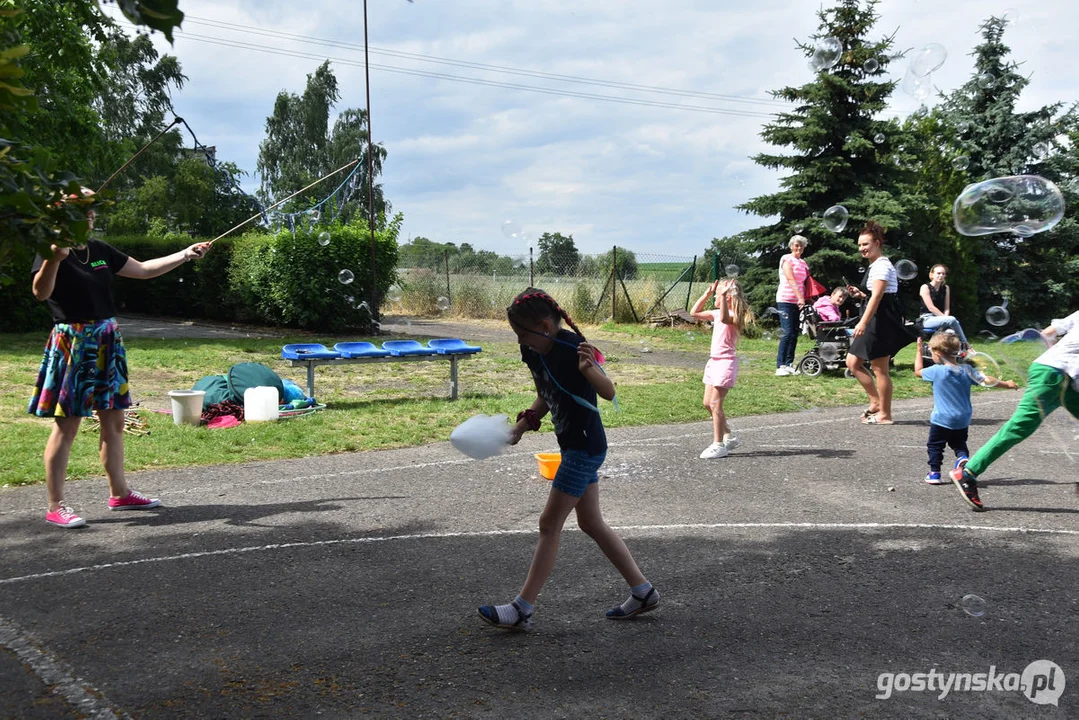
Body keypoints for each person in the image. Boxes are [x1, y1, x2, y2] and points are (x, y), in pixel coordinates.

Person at [478, 288, 658, 631]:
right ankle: (643, 591)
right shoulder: (535, 350)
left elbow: (608, 392)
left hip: (585, 447)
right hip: (574, 446)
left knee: (549, 524)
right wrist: (523, 424)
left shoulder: (571, 349)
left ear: (545, 326)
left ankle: (522, 608)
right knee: (590, 523)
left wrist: (589, 368)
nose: (522, 342)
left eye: (523, 335)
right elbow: (547, 391)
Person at [28, 194, 211, 528]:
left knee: (113, 422)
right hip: (73, 341)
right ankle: (56, 505)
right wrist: (55, 258)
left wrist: (185, 254)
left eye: (92, 211)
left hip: (107, 340)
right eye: (85, 211)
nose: (92, 215)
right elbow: (40, 292)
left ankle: (120, 493)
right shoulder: (50, 248)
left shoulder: (99, 249)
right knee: (67, 425)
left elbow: (142, 270)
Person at [951, 311, 1079, 511]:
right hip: (1054, 377)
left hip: (1058, 375)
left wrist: (1056, 357)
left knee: (1019, 427)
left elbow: (1048, 333)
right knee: (1019, 427)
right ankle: (967, 473)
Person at [914, 332, 1017, 485]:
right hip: (963, 418)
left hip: (942, 418)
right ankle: (962, 458)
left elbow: (917, 371)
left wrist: (919, 351)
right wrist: (1007, 384)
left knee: (935, 446)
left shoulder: (936, 371)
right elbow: (987, 380)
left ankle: (934, 473)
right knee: (959, 443)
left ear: (937, 353)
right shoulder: (967, 370)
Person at [844, 220, 917, 425]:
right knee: (853, 362)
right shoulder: (876, 266)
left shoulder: (882, 266)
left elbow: (878, 299)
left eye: (865, 244)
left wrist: (863, 323)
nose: (862, 248)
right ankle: (876, 402)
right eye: (859, 245)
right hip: (877, 318)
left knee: (879, 368)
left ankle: (885, 414)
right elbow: (874, 296)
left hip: (881, 321)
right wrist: (861, 295)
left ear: (877, 243)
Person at [690, 278, 754, 459]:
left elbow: (726, 319)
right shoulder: (717, 313)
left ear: (727, 298)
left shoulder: (734, 315)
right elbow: (694, 313)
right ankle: (729, 436)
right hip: (713, 362)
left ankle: (718, 445)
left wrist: (724, 294)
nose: (715, 298)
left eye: (717, 295)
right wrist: (706, 293)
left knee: (715, 404)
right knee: (707, 404)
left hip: (726, 363)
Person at [775, 234, 810, 376]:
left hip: (798, 302)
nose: (799, 248)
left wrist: (807, 298)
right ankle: (780, 365)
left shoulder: (803, 263)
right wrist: (800, 297)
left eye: (801, 245)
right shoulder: (786, 259)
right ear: (791, 246)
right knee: (787, 332)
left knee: (794, 333)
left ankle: (789, 363)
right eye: (796, 245)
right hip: (786, 300)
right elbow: (790, 279)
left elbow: (806, 283)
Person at [918, 264, 969, 346]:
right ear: (932, 274)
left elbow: (946, 308)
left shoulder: (946, 288)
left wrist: (945, 320)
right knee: (952, 320)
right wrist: (946, 320)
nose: (941, 276)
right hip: (927, 318)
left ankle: (956, 353)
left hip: (941, 318)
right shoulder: (925, 287)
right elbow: (931, 308)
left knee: (951, 330)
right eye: (938, 273)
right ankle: (966, 344)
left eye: (943, 274)